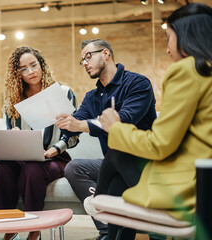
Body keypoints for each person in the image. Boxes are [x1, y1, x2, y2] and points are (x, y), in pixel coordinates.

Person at [92, 3, 212, 239]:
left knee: (116, 153)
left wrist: (115, 127)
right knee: (116, 167)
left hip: (190, 189)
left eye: (168, 38)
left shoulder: (187, 70)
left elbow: (160, 145)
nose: (167, 49)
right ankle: (109, 230)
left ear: (186, 37)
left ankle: (98, 211)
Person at [55, 39, 157, 239]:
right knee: (74, 167)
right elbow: (74, 123)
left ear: (106, 54)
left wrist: (81, 125)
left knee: (118, 165)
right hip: (113, 163)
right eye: (82, 60)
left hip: (144, 162)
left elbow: (125, 120)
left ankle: (102, 211)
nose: (84, 63)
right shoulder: (92, 96)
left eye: (88, 56)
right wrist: (56, 146)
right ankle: (106, 229)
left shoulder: (138, 83)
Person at [0, 46, 78, 240]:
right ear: (17, 73)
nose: (30, 72)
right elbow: (10, 131)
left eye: (33, 65)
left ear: (42, 65)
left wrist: (53, 150)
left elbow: (72, 135)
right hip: (24, 156)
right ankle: (9, 225)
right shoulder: (13, 99)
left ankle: (34, 229)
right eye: (23, 69)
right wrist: (14, 136)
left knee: (33, 169)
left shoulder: (62, 92)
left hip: (55, 157)